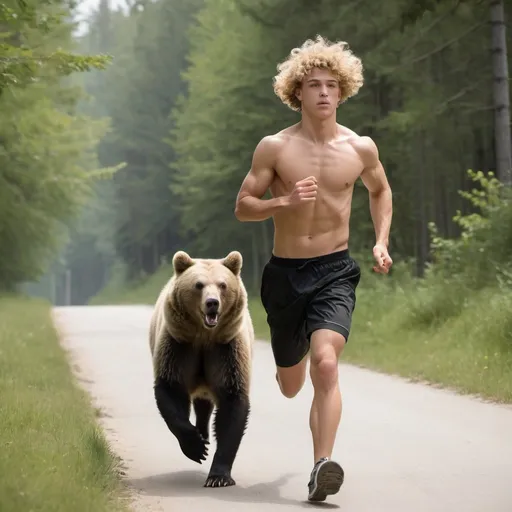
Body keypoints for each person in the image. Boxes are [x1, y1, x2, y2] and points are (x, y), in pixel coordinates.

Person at [234, 35, 393, 502]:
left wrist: (381, 241)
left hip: (334, 270)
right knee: (290, 385)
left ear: (341, 92)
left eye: (331, 85)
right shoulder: (275, 148)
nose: (324, 93)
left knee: (326, 364)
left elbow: (380, 191)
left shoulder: (360, 148)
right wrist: (284, 200)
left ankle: (322, 465)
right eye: (314, 85)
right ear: (296, 94)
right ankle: (290, 360)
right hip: (285, 274)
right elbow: (244, 206)